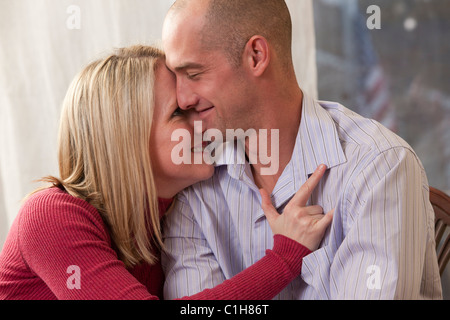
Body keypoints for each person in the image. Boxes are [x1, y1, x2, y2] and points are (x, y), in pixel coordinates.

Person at [0, 45, 333, 300]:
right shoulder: (51, 216)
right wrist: (284, 256)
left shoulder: (169, 216)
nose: (203, 121)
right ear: (127, 138)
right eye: (179, 112)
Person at [161, 0, 443, 299]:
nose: (181, 99)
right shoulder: (195, 183)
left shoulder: (380, 166)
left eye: (193, 74)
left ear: (256, 56)